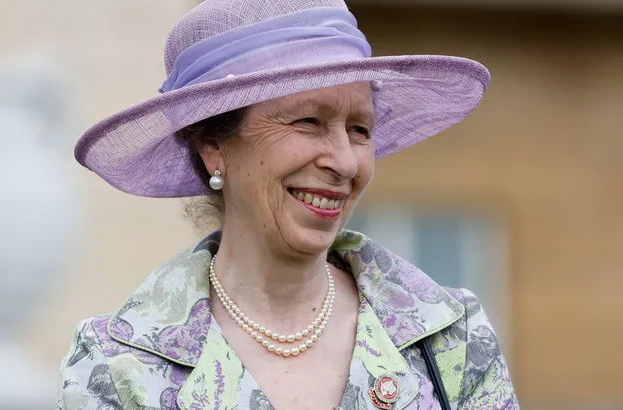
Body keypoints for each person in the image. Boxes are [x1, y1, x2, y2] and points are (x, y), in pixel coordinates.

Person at [57, 0, 519, 409]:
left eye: (359, 129)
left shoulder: (449, 338)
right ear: (213, 145)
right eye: (308, 121)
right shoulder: (119, 365)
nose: (343, 161)